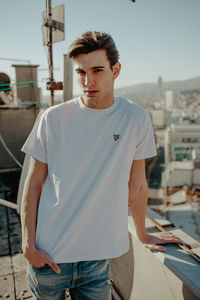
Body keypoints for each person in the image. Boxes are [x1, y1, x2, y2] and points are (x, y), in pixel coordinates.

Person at [21, 31, 182, 300]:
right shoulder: (52, 118)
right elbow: (34, 183)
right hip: (48, 256)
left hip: (97, 260)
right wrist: (28, 244)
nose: (88, 80)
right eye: (81, 72)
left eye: (97, 70)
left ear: (115, 70)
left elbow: (138, 185)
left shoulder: (136, 118)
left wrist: (143, 234)